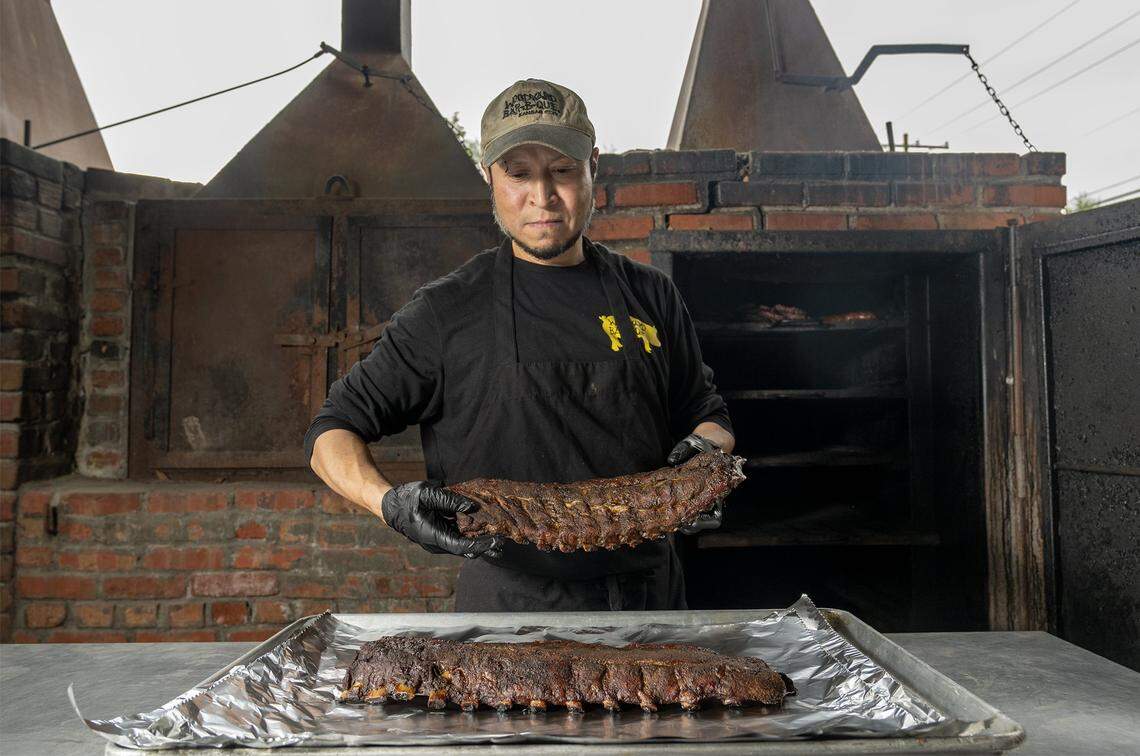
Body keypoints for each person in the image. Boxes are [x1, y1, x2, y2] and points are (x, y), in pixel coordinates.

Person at [304, 78, 734, 612]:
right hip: (508, 610)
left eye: (562, 170)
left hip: (649, 599)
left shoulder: (652, 295)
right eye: (519, 173)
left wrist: (706, 459)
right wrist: (389, 502)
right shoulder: (446, 311)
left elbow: (704, 412)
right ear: (491, 179)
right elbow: (332, 431)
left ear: (592, 168)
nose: (543, 197)